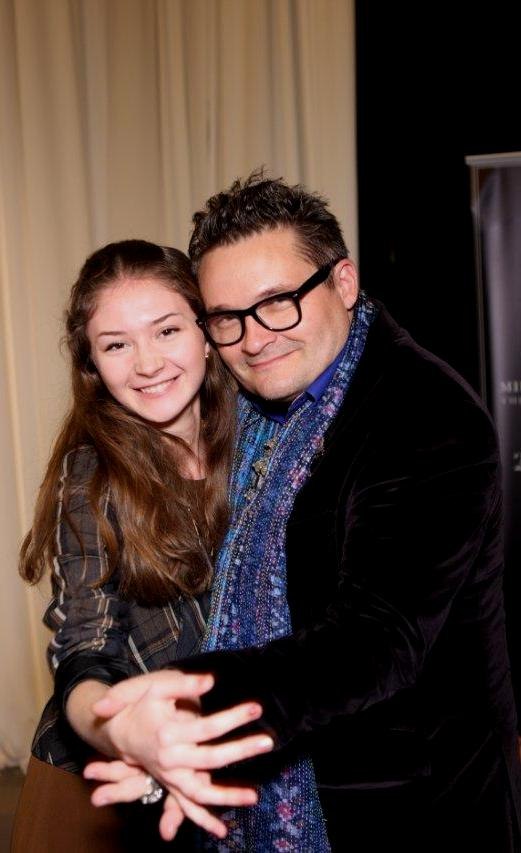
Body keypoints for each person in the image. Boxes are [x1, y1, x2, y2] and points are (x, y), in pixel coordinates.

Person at [88, 173, 521, 852]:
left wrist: (190, 702)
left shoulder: (426, 417)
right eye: (226, 317)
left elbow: (376, 639)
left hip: (411, 808)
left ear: (343, 282)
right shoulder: (251, 405)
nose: (253, 339)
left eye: (278, 303)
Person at [11, 239, 275, 852]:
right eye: (116, 345)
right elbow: (84, 646)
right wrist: (120, 726)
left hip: (240, 764)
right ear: (93, 366)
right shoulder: (92, 476)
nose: (147, 363)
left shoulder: (268, 437)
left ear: (207, 332)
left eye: (166, 330)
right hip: (106, 790)